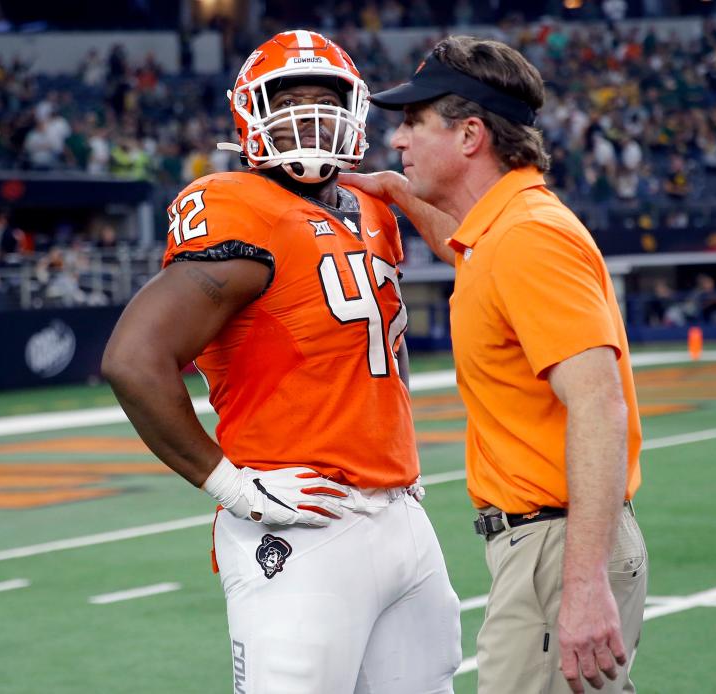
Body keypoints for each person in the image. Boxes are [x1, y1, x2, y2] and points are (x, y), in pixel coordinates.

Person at [101, 30, 461, 694]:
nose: (308, 115)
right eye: (288, 98)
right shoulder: (238, 206)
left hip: (400, 512)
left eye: (325, 100)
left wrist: (396, 452)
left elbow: (381, 346)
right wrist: (229, 486)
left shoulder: (372, 209)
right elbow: (133, 358)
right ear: (249, 112)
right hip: (303, 523)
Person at [342, 37, 647, 694]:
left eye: (414, 122)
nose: (398, 140)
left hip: (559, 546)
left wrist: (583, 584)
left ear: (470, 134)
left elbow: (598, 404)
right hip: (552, 543)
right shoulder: (503, 230)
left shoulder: (527, 236)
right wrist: (398, 193)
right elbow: (471, 256)